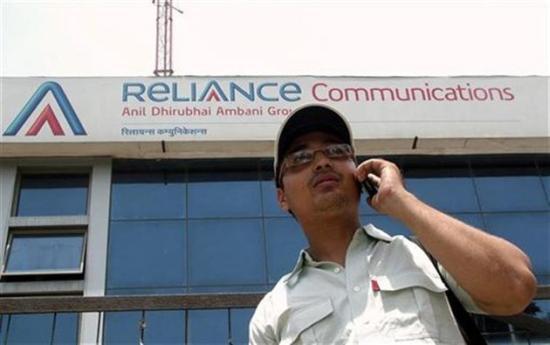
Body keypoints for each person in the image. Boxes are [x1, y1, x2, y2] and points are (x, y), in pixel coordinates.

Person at [249, 104, 537, 344]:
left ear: (361, 174)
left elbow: (515, 287)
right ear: (282, 198)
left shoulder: (426, 257)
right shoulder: (272, 311)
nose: (322, 162)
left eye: (337, 151)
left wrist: (400, 200)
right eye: (301, 157)